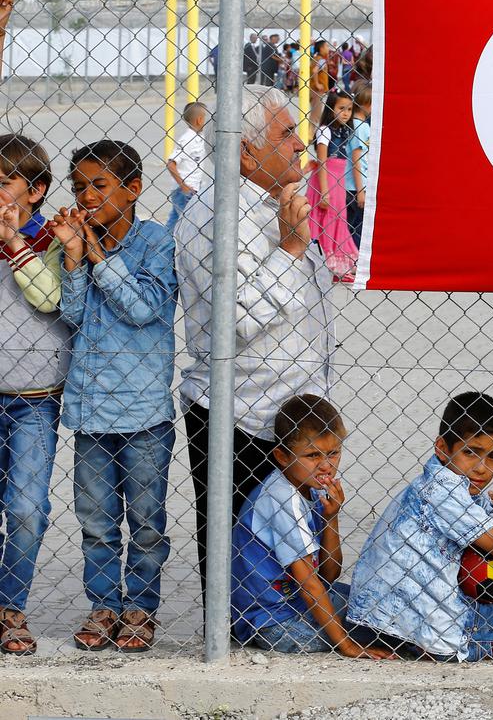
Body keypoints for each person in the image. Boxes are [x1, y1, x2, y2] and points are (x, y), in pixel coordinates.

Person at [175, 85, 334, 599]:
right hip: (240, 416)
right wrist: (289, 250)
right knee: (241, 568)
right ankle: (233, 639)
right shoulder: (212, 218)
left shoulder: (273, 204)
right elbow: (236, 323)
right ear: (245, 150)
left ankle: (283, 629)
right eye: (286, 134)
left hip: (293, 415)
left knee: (293, 554)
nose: (299, 145)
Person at [51, 141, 178, 654]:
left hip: (145, 412)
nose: (86, 195)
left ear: (133, 189)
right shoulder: (83, 241)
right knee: (97, 521)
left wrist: (100, 256)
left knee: (147, 521)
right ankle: (104, 604)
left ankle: (141, 607)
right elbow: (75, 317)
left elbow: (145, 307)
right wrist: (77, 260)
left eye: (99, 185)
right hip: (91, 411)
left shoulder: (155, 242)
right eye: (79, 186)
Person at [347, 392, 493, 661]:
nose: (482, 468)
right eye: (471, 452)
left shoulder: (443, 485)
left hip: (378, 622)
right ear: (442, 447)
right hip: (445, 636)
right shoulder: (445, 493)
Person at [231, 395, 393, 658]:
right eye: (312, 455)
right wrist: (347, 646)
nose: (326, 466)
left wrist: (331, 517)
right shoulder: (283, 499)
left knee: (378, 605)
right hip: (276, 623)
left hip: (301, 605)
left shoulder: (312, 489)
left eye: (333, 453)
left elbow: (329, 574)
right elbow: (309, 583)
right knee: (386, 628)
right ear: (282, 456)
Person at [0, 134, 68, 656]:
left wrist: (15, 242)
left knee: (26, 507)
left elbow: (48, 299)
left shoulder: (52, 238)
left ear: (37, 190)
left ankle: (11, 607)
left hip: (34, 397)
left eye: (4, 183)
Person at [308, 90, 359, 281]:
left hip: (338, 182)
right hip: (325, 181)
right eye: (341, 108)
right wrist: (324, 193)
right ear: (331, 109)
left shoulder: (345, 131)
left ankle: (340, 263)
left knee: (339, 219)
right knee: (325, 219)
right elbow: (322, 162)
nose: (346, 113)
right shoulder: (325, 130)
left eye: (349, 109)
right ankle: (326, 264)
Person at [165, 102, 209, 231]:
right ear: (199, 120)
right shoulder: (187, 139)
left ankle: (161, 244)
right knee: (191, 224)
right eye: (208, 118)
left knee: (174, 222)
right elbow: (171, 164)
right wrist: (183, 186)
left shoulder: (199, 137)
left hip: (192, 188)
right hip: (184, 190)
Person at [346, 84, 372, 248]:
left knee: (353, 226)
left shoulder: (354, 125)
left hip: (354, 185)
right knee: (357, 229)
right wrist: (361, 191)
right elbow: (356, 159)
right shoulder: (361, 127)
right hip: (356, 187)